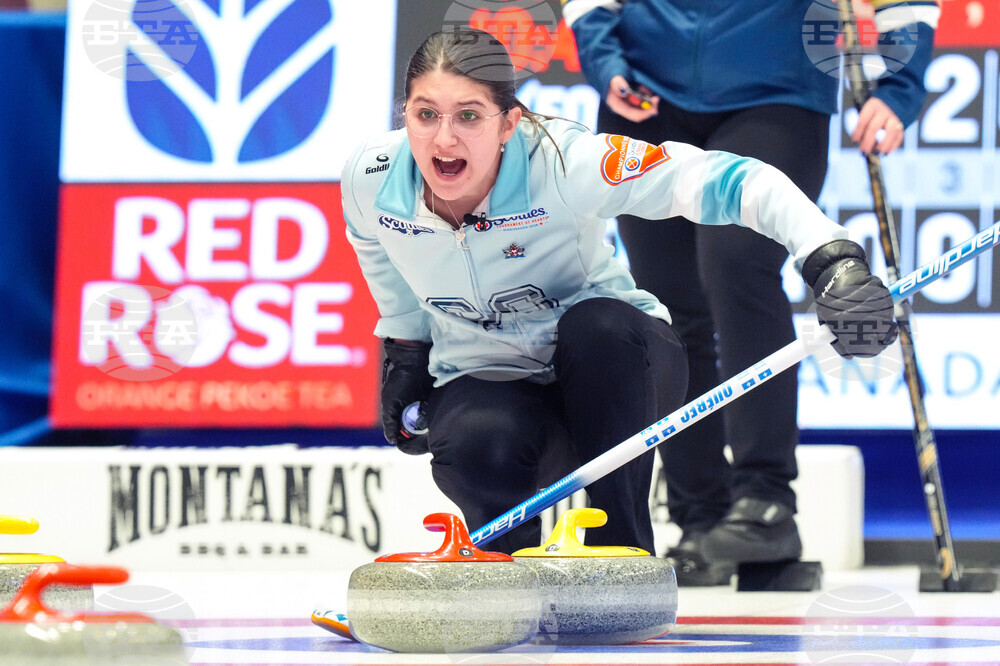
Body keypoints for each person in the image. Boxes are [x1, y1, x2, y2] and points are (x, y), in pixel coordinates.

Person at [340, 27, 897, 556]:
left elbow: (730, 180)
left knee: (599, 327)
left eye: (469, 116)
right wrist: (406, 350)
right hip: (496, 384)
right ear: (404, 114)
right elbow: (381, 259)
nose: (444, 139)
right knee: (474, 441)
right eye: (426, 114)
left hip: (622, 373)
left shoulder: (566, 162)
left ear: (509, 123)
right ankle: (507, 570)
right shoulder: (371, 180)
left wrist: (832, 259)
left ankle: (621, 554)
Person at [563, 0, 938, 583]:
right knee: (664, 300)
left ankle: (765, 503)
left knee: (737, 263)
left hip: (777, 89)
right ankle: (697, 515)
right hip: (645, 94)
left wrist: (900, 88)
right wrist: (606, 62)